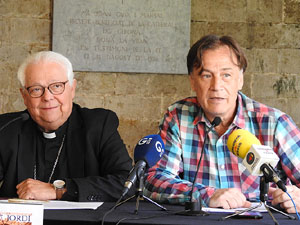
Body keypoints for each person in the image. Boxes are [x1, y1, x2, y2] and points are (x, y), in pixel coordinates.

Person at [144, 34, 300, 213]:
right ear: (192, 81)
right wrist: (206, 194)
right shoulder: (178, 117)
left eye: (226, 75)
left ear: (240, 80)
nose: (216, 86)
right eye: (206, 75)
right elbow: (155, 180)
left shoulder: (274, 123)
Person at [0, 51, 133, 202]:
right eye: (36, 89)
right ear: (24, 96)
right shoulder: (6, 128)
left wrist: (59, 191)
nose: (47, 97)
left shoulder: (98, 125)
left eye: (56, 86)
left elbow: (127, 183)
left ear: (72, 89)